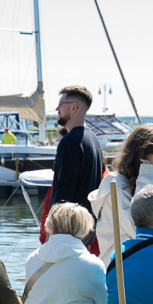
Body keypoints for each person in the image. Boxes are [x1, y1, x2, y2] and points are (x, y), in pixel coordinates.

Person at [92, 124, 153, 257]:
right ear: (142, 153)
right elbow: (141, 229)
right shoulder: (115, 184)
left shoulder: (135, 181)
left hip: (133, 261)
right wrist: (147, 176)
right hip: (119, 264)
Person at [47, 83, 105, 217]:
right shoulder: (94, 139)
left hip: (69, 224)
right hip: (87, 222)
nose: (57, 109)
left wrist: (55, 224)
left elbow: (64, 190)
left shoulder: (70, 142)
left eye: (61, 104)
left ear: (74, 107)